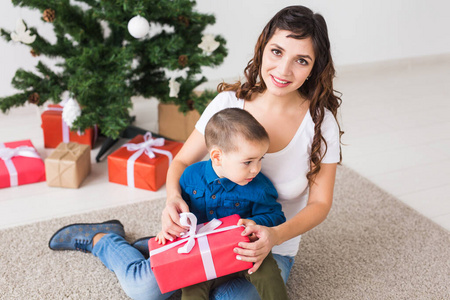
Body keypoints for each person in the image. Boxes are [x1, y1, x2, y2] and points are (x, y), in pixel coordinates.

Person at [48, 5, 342, 300]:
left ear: (314, 67)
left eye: (301, 60)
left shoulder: (320, 121)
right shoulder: (228, 104)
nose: (284, 70)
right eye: (277, 52)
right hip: (205, 234)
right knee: (143, 290)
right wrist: (173, 199)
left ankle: (149, 246)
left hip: (270, 246)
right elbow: (183, 161)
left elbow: (319, 203)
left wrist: (275, 236)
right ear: (263, 48)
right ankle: (105, 240)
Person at [153, 108, 287, 300]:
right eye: (248, 162)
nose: (256, 169)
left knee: (268, 272)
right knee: (190, 284)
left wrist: (253, 222)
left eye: (260, 159)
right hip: (203, 253)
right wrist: (172, 228)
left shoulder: (260, 187)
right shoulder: (190, 176)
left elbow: (276, 216)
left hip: (245, 250)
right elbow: (181, 215)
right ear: (217, 157)